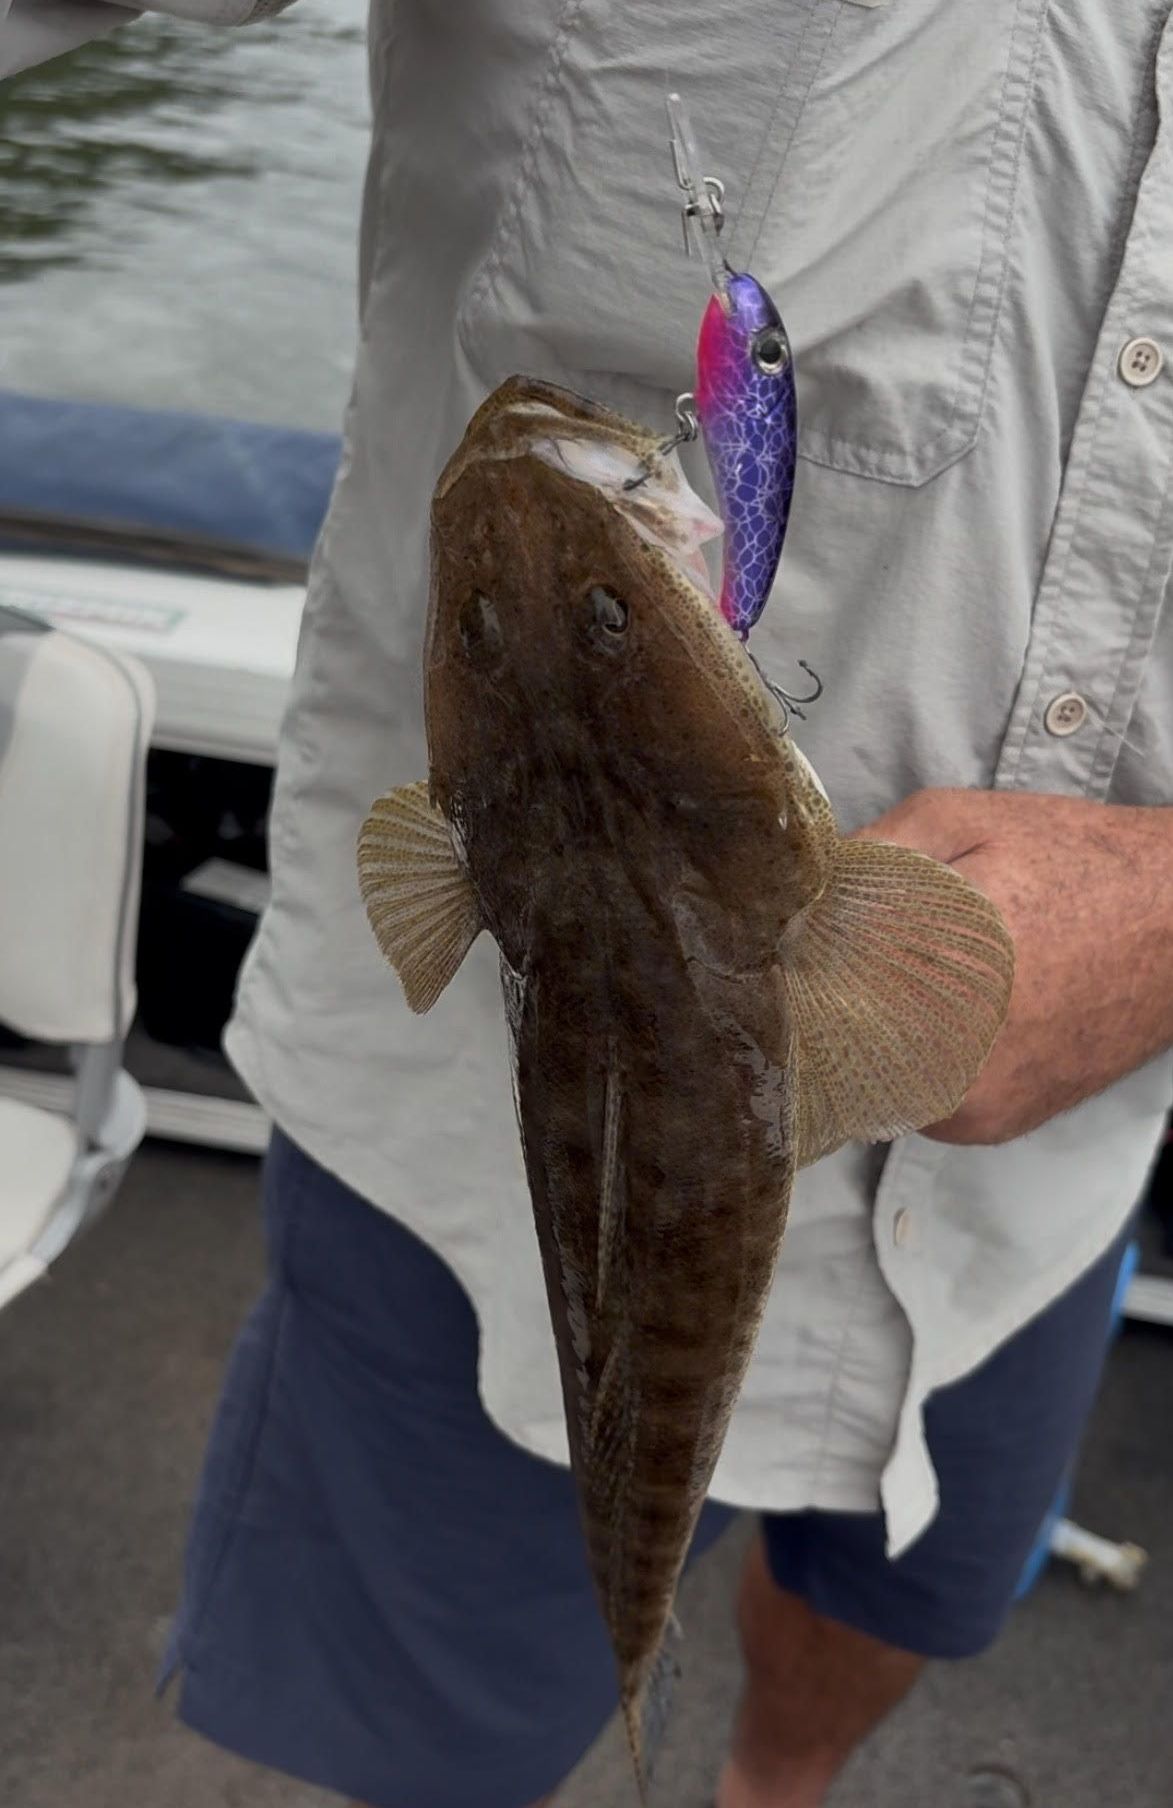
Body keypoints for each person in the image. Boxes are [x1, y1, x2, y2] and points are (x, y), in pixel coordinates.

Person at [5, 4, 1173, 1805]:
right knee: (417, 1742)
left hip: (1043, 1189)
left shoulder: (460, 867)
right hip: (453, 1216)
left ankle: (760, 1781)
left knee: (890, 1604)